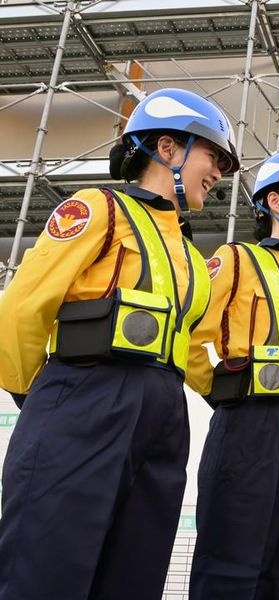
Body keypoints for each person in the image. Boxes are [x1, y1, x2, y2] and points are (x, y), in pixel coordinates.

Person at [0, 87, 239, 600]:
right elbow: (23, 306)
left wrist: (227, 395)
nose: (219, 172)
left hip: (164, 416)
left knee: (135, 573)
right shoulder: (98, 209)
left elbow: (186, 347)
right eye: (213, 156)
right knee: (46, 568)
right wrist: (34, 394)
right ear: (167, 148)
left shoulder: (194, 259)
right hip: (86, 396)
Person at [188, 149, 279, 599]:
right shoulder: (236, 260)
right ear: (274, 200)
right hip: (249, 424)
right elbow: (187, 333)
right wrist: (219, 390)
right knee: (231, 559)